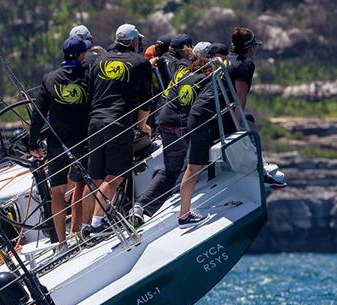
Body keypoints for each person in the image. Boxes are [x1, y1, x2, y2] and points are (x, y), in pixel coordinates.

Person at [177, 27, 261, 228]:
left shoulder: (226, 60)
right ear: (250, 48)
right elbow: (239, 97)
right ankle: (184, 216)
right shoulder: (245, 65)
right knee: (194, 167)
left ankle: (257, 167)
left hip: (201, 113)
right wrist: (240, 127)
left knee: (194, 166)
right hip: (205, 117)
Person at [131, 53, 213, 224]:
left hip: (166, 124)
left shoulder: (181, 74)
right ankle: (185, 213)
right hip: (183, 127)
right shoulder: (206, 80)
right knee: (192, 167)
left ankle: (140, 206)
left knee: (170, 171)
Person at [86, 24, 152, 235]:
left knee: (97, 177)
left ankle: (84, 226)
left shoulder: (99, 61)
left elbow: (90, 91)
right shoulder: (141, 63)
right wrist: (142, 125)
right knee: (116, 176)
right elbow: (146, 100)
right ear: (134, 42)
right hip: (118, 123)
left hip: (95, 123)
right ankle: (97, 224)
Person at [28, 35, 91, 244]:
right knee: (81, 187)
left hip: (56, 145)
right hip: (83, 141)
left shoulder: (49, 78)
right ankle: (79, 232)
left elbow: (38, 114)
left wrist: (33, 144)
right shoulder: (88, 74)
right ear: (82, 54)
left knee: (56, 193)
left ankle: (62, 243)